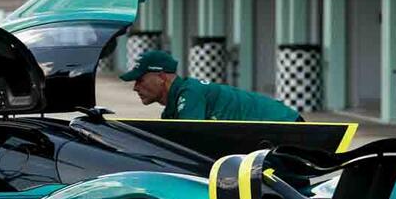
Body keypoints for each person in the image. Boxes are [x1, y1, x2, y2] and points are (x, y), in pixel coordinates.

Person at [120, 49, 301, 122]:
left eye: (140, 80)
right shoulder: (172, 109)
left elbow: (189, 145)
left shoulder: (189, 93)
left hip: (285, 124)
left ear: (161, 77)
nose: (136, 87)